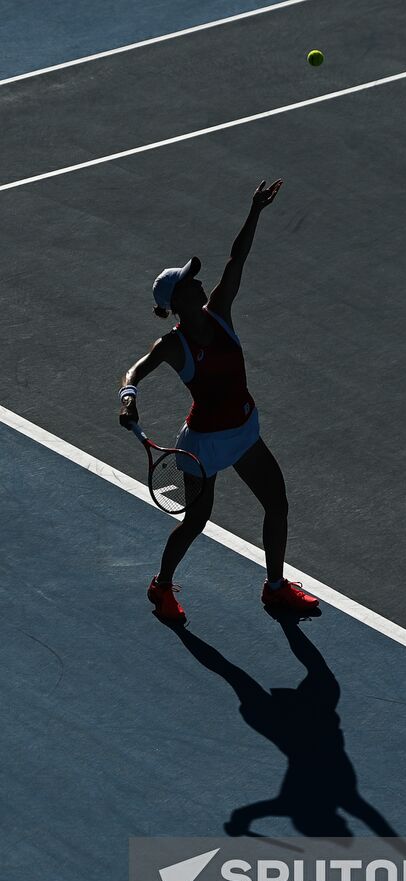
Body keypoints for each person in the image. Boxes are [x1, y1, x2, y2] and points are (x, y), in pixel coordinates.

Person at [118, 179, 318, 623]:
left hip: (242, 432)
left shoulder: (220, 309)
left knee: (277, 504)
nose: (201, 282)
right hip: (203, 446)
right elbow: (135, 370)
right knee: (195, 523)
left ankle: (275, 588)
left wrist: (255, 212)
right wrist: (129, 396)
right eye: (191, 282)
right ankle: (161, 586)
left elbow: (237, 257)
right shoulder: (173, 344)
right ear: (178, 301)